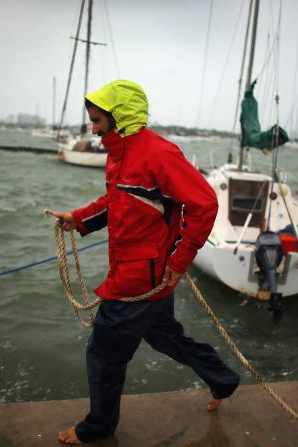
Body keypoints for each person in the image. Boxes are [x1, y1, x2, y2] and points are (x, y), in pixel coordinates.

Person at [48, 80, 240, 445]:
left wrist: (181, 261)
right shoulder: (119, 153)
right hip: (144, 273)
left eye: (97, 120)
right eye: (91, 121)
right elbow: (115, 201)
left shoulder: (158, 154)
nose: (93, 128)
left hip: (141, 278)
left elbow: (205, 204)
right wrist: (80, 218)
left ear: (119, 117)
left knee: (103, 355)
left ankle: (98, 426)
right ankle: (223, 380)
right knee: (165, 336)